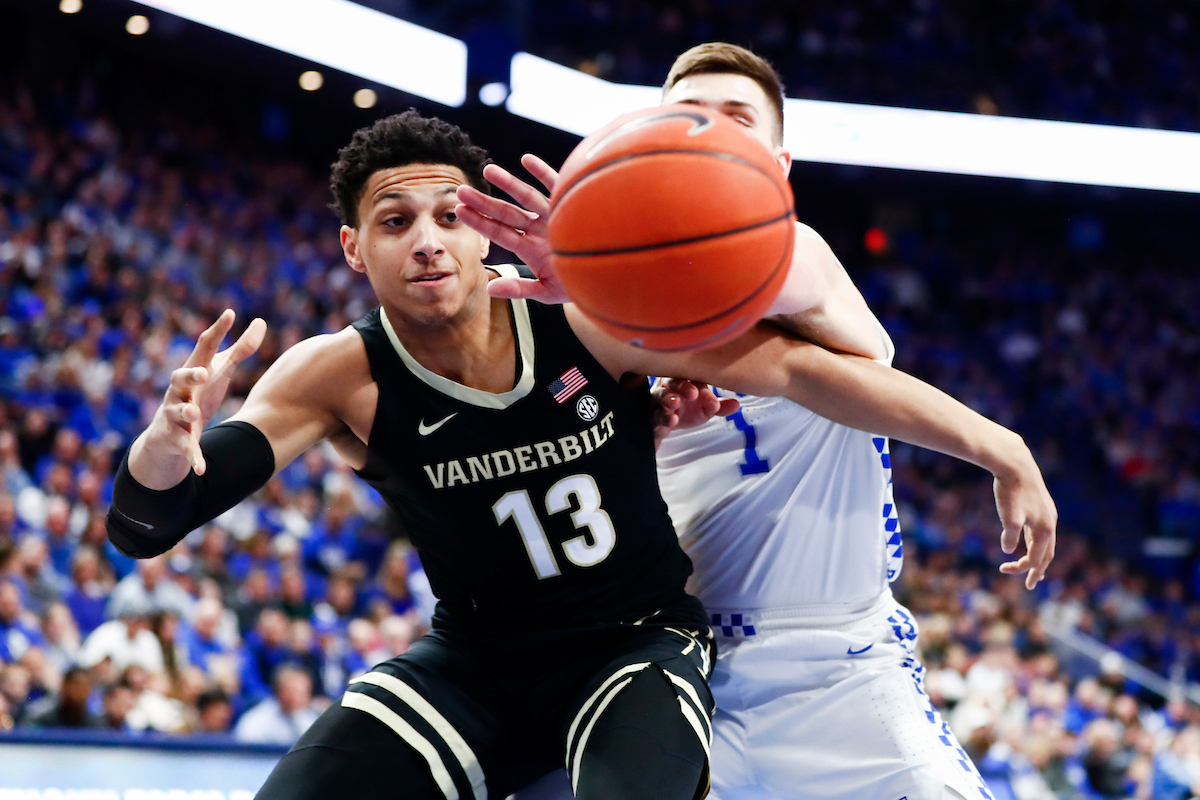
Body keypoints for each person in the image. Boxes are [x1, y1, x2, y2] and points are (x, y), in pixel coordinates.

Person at [107, 110, 1051, 800]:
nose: (429, 242)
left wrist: (999, 448)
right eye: (397, 224)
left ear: (486, 232)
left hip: (633, 644)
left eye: (450, 216)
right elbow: (152, 522)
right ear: (356, 250)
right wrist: (163, 447)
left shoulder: (589, 328)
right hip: (475, 659)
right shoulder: (334, 373)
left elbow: (805, 373)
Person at [455, 43, 1055, 800]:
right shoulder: (612, 329)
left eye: (734, 121)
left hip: (842, 671)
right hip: (680, 665)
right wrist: (639, 432)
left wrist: (1005, 450)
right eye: (685, 117)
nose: (705, 132)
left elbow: (779, 320)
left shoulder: (798, 262)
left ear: (777, 163)